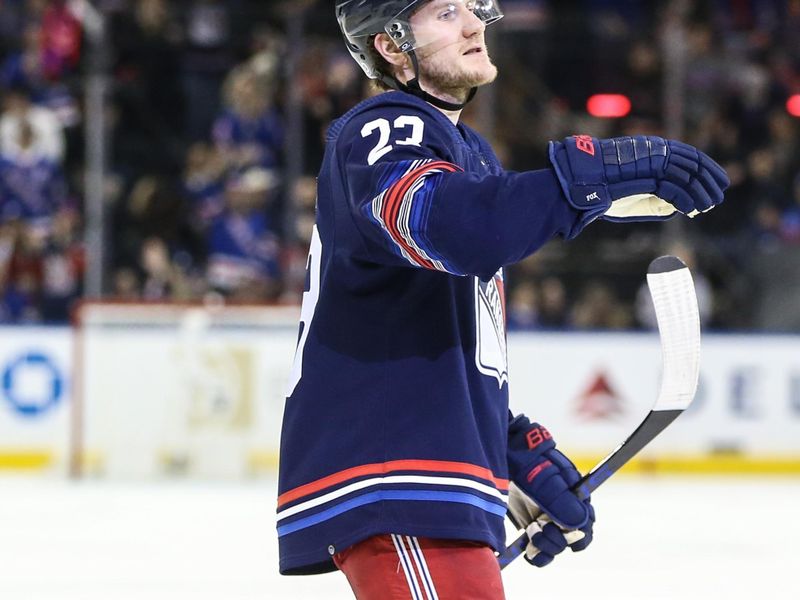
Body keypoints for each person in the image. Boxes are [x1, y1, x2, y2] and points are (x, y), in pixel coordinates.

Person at [277, 1, 729, 598]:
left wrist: (512, 457)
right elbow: (463, 230)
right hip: (397, 478)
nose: (472, 26)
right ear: (390, 45)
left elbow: (442, 334)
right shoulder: (383, 127)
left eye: (472, 9)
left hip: (428, 474)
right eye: (445, 14)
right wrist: (593, 174)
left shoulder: (472, 155)